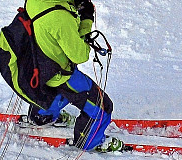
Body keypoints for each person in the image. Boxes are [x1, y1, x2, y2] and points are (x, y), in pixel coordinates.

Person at [23, 0, 120, 151]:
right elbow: (79, 55)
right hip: (58, 74)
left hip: (38, 69)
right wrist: (86, 20)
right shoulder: (61, 17)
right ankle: (90, 142)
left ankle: (41, 116)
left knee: (53, 90)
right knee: (102, 106)